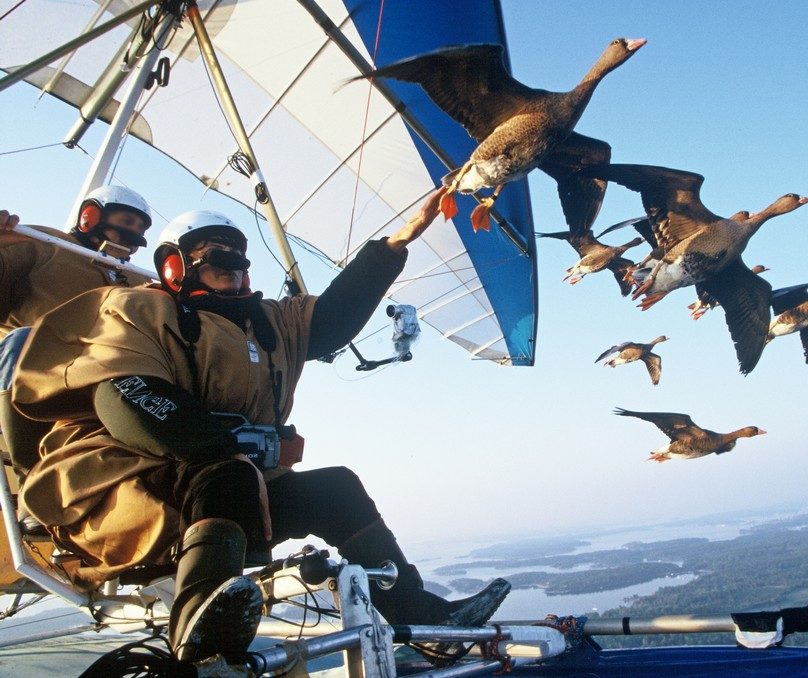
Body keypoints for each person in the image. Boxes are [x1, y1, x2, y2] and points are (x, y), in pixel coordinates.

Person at [13, 188, 509, 665]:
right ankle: (200, 635)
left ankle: (420, 618)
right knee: (227, 472)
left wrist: (396, 243)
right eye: (214, 254)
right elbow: (126, 399)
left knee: (337, 489)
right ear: (174, 265)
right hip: (127, 492)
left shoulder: (269, 322)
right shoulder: (137, 309)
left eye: (238, 254)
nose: (232, 262)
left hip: (230, 498)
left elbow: (333, 318)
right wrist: (228, 443)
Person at [0, 186, 153, 478]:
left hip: (105, 371)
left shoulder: (140, 281)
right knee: (24, 339)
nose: (135, 233)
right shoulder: (46, 243)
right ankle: (31, 473)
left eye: (140, 227)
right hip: (38, 365)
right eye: (127, 221)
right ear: (90, 216)